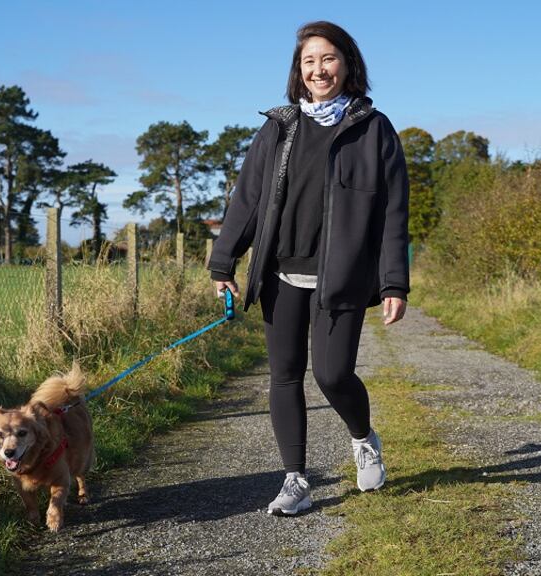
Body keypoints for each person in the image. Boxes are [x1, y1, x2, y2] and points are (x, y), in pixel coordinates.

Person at [207, 20, 410, 516]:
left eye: (328, 58)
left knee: (333, 374)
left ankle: (363, 439)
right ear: (298, 71)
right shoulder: (279, 128)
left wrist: (394, 282)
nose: (319, 70)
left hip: (343, 276)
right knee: (284, 375)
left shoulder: (373, 128)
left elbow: (393, 212)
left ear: (347, 64)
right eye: (309, 61)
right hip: (281, 274)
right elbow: (247, 200)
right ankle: (294, 480)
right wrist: (223, 261)